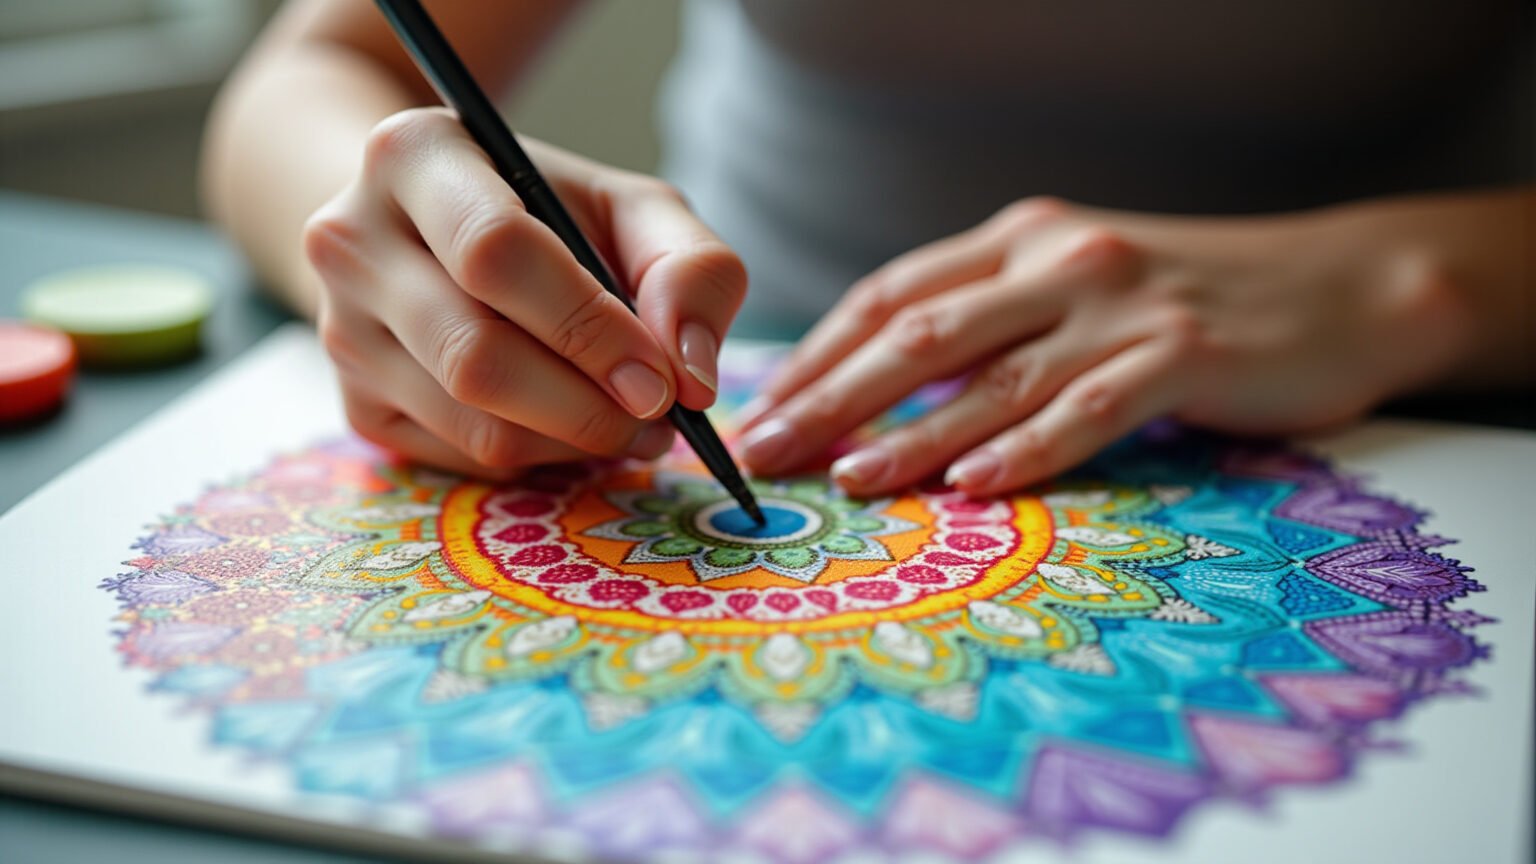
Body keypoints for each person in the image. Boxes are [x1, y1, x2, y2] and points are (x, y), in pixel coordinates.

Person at [202, 0, 1533, 498]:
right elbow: (323, 67)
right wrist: (431, 255)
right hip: (726, 386)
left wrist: (1422, 281)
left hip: (1399, 408)